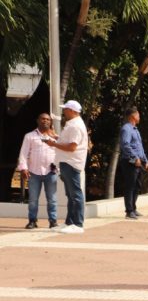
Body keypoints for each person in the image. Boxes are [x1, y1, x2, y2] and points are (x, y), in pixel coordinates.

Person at [43, 100, 90, 234]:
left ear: (73, 111)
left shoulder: (75, 126)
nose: (64, 111)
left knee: (75, 194)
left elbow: (72, 147)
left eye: (66, 109)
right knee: (71, 195)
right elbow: (69, 142)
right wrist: (56, 137)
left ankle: (78, 224)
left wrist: (53, 144)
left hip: (71, 163)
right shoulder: (73, 124)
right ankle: (69, 222)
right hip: (67, 162)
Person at [17, 112, 58, 229]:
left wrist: (58, 167)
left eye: (48, 119)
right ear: (38, 121)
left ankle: (53, 221)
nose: (45, 121)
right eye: (43, 119)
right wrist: (23, 168)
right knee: (33, 199)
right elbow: (23, 153)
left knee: (52, 199)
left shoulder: (55, 137)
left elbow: (60, 153)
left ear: (50, 122)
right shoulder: (29, 136)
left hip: (51, 172)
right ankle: (32, 221)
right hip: (33, 172)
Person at [119, 107, 148, 220]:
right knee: (130, 185)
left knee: (137, 186)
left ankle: (133, 208)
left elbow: (140, 149)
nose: (139, 117)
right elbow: (125, 145)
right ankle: (129, 211)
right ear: (132, 116)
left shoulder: (135, 130)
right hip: (130, 161)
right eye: (138, 114)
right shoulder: (126, 129)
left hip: (138, 161)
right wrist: (134, 157)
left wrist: (146, 162)